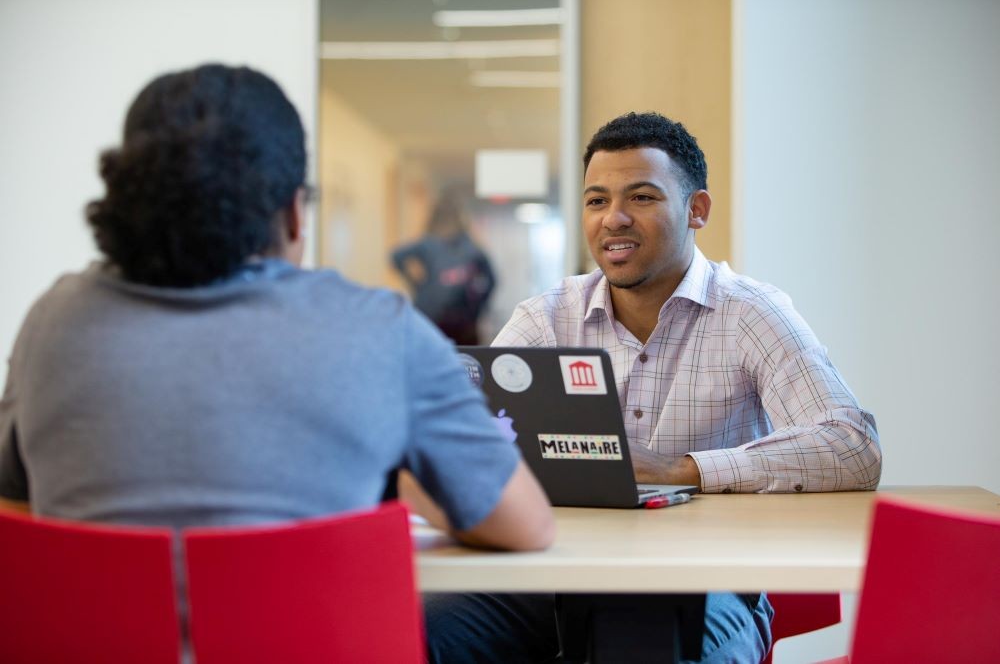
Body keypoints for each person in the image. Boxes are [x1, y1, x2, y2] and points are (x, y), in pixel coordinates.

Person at [0, 63, 553, 610]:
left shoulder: (52, 321)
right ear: (293, 213)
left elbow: (20, 510)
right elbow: (524, 525)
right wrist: (403, 479)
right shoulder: (379, 330)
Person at [424, 112, 882, 663]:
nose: (613, 219)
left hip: (705, 580)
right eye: (596, 201)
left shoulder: (751, 313)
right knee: (415, 635)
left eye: (641, 197)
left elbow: (852, 445)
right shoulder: (547, 317)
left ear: (697, 210)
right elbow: (457, 431)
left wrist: (682, 470)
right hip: (549, 575)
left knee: (642, 647)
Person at [391, 191, 496, 345]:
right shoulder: (471, 247)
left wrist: (417, 284)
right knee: (465, 361)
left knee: (427, 361)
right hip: (464, 319)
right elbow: (492, 280)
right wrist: (479, 307)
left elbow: (396, 256)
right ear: (462, 218)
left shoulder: (428, 243)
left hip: (429, 314)